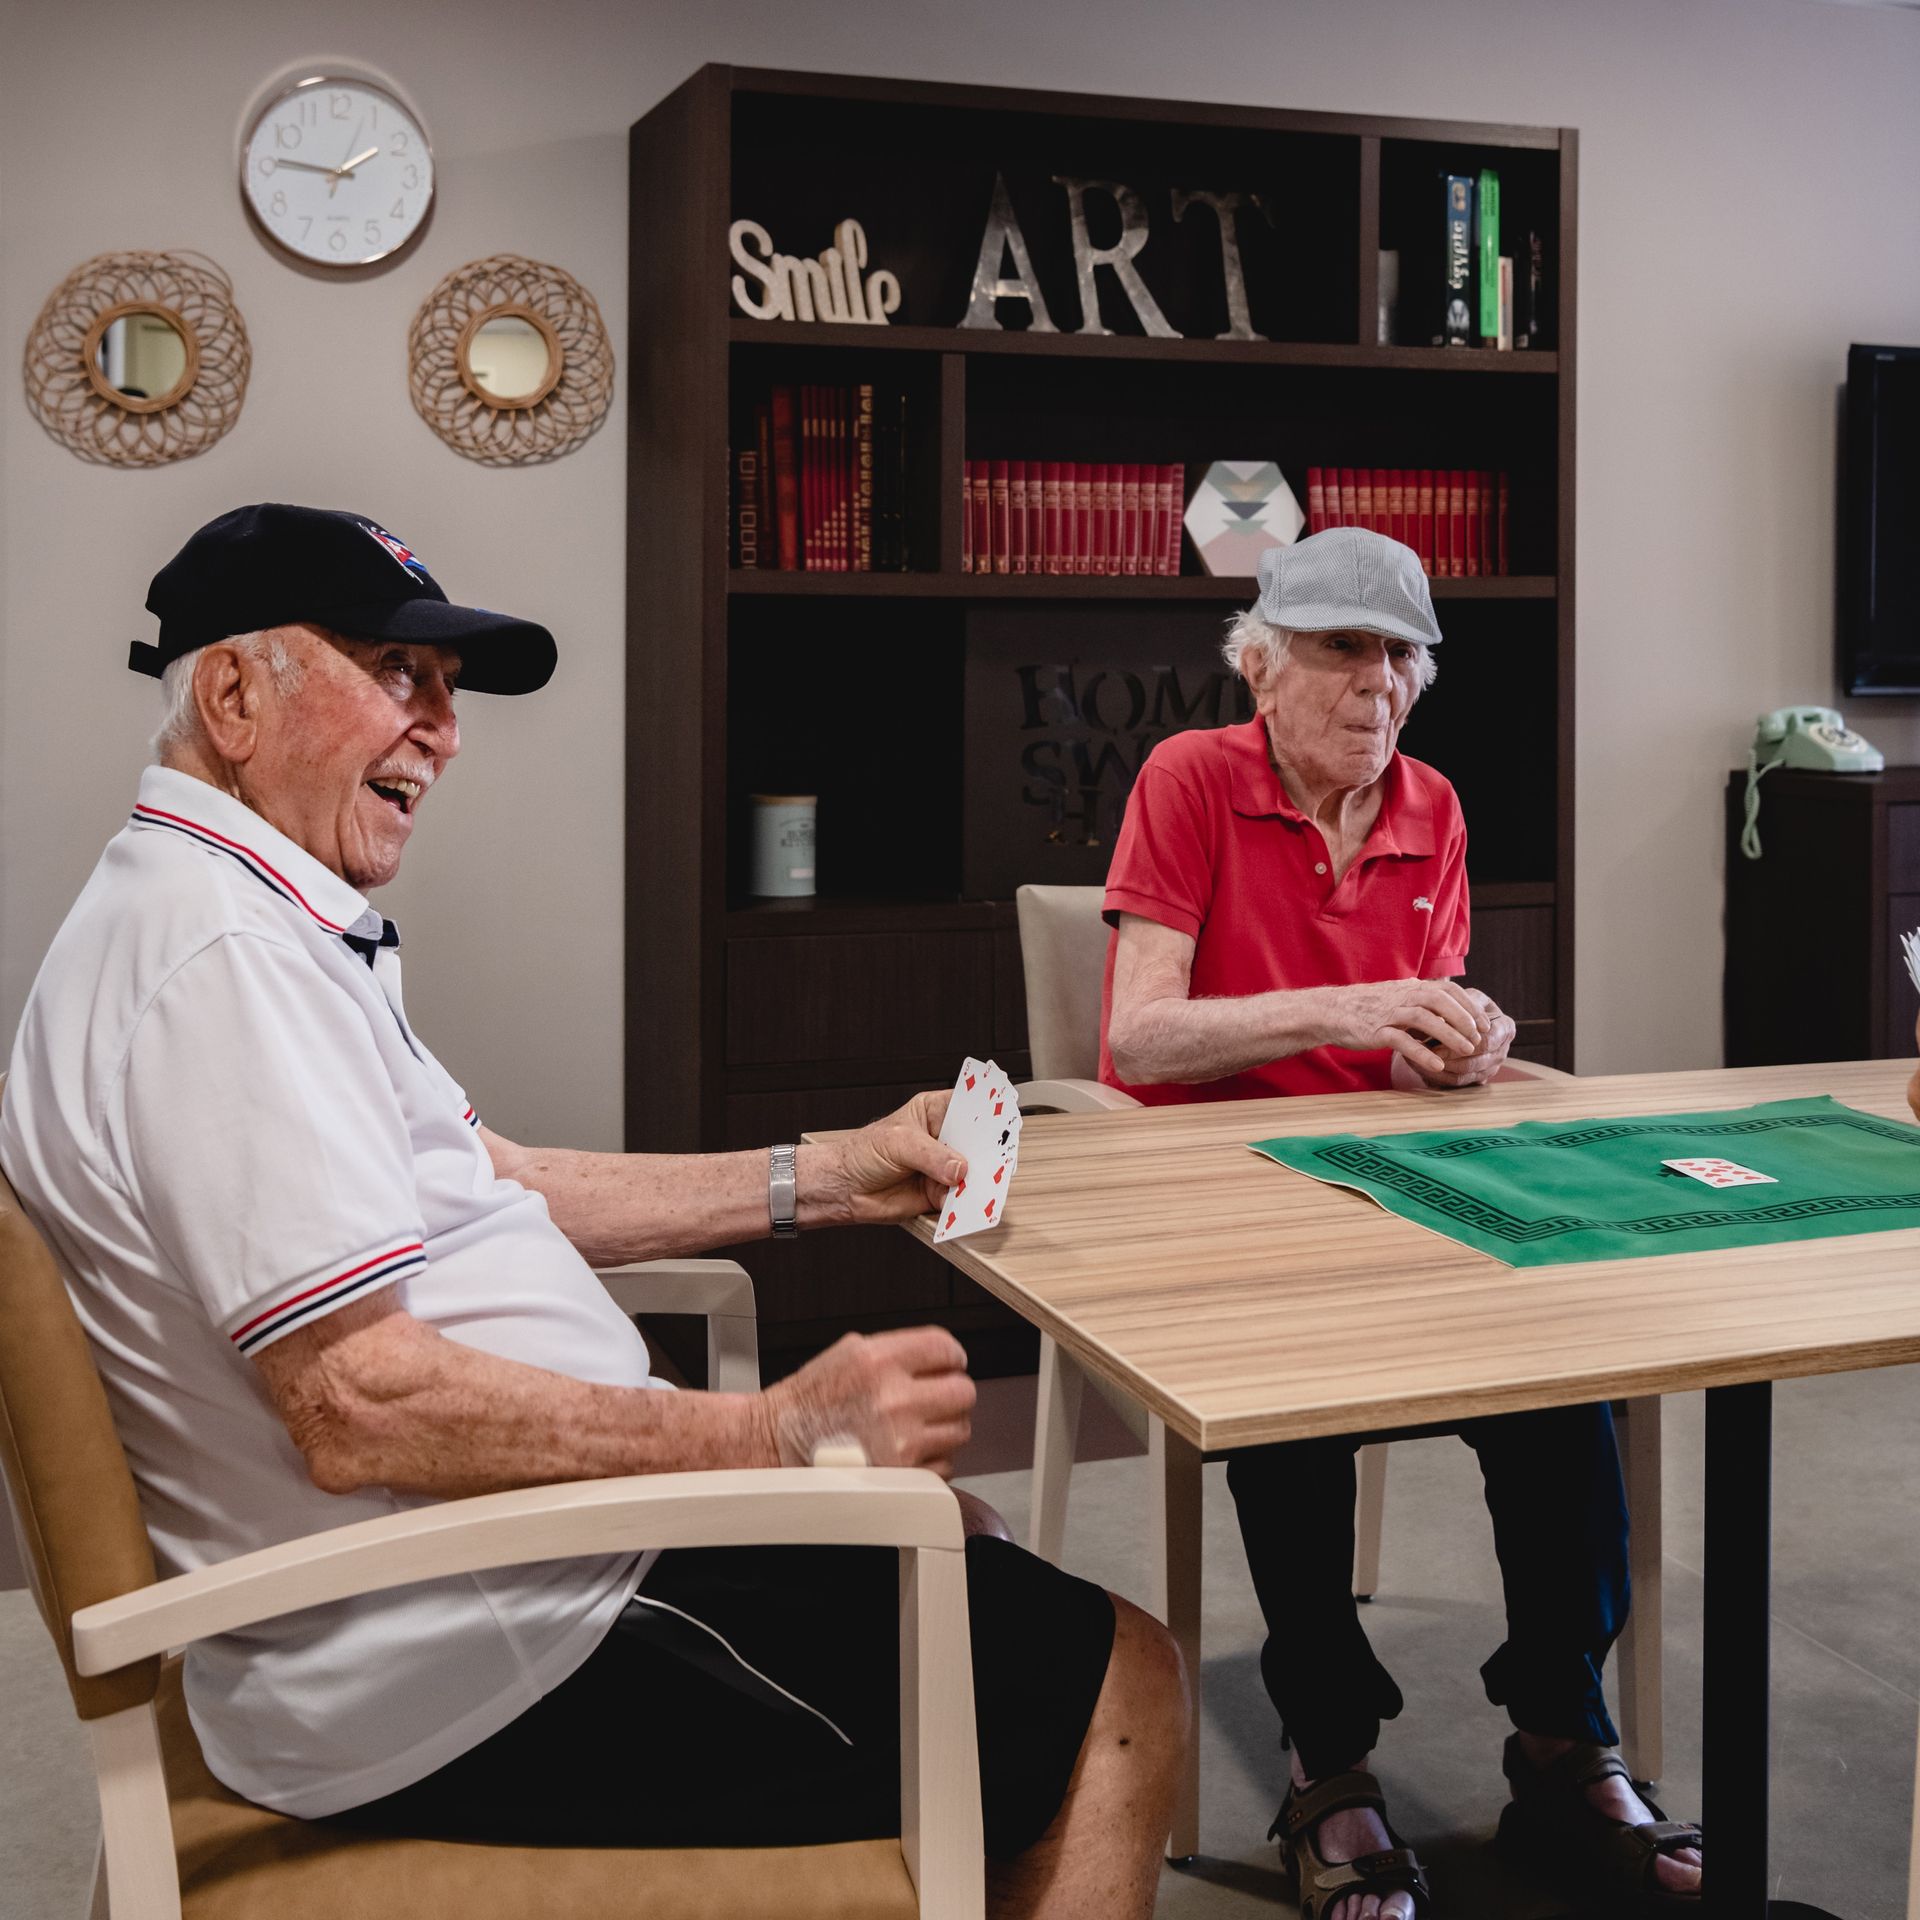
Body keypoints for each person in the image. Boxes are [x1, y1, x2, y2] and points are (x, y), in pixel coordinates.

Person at [0, 504, 1187, 1920]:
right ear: (235, 695)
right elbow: (358, 1407)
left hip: (479, 1591)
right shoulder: (220, 966)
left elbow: (486, 1179)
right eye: (398, 672)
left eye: (446, 690)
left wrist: (830, 1173)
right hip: (472, 1648)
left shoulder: (228, 907)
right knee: (1118, 1680)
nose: (443, 729)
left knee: (973, 1560)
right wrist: (766, 1439)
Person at [1099, 527, 1702, 1919]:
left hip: (1396, 1186)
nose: (1376, 682)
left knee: (1566, 1376)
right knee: (1297, 1389)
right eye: (1340, 648)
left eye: (1398, 654)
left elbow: (1406, 1044)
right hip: (1226, 1191)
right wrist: (1350, 1009)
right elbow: (1139, 1035)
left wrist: (1453, 1041)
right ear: (1262, 667)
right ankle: (1330, 1756)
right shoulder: (1189, 780)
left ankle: (1562, 1739)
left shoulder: (1433, 804)